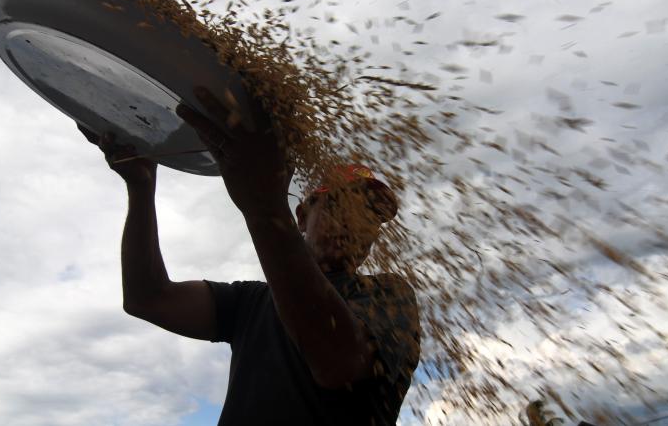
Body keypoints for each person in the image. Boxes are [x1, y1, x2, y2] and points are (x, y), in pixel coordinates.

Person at [77, 85, 421, 425]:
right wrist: (141, 187)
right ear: (301, 217)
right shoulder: (251, 302)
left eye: (369, 216)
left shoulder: (389, 297)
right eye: (338, 206)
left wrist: (264, 209)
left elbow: (336, 362)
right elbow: (147, 298)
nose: (354, 222)